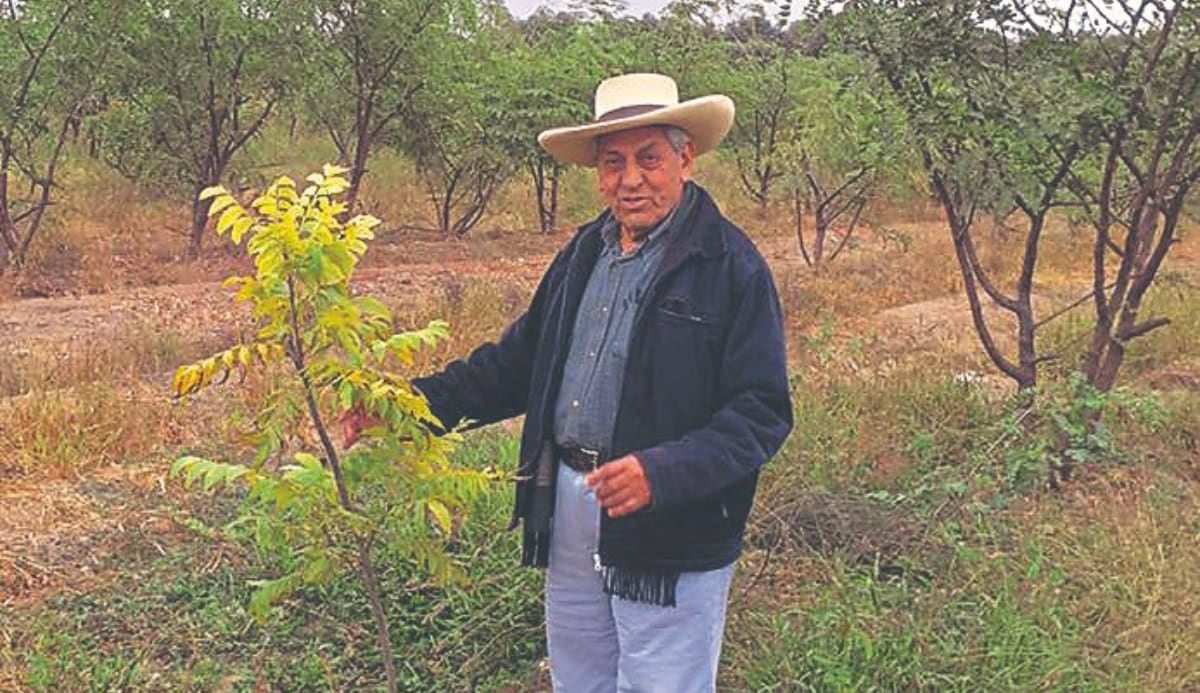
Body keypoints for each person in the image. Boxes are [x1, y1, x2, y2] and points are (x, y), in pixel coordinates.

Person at [360, 73, 793, 691]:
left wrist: (661, 471)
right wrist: (402, 407)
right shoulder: (584, 252)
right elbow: (514, 366)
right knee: (578, 675)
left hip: (670, 521)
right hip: (568, 498)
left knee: (661, 682)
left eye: (649, 158)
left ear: (686, 159)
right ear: (598, 173)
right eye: (613, 162)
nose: (630, 179)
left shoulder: (729, 266)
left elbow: (761, 411)